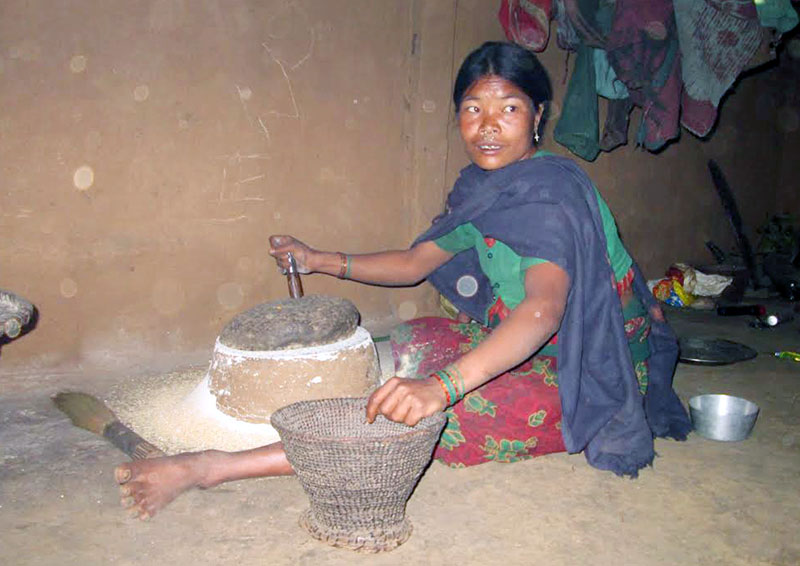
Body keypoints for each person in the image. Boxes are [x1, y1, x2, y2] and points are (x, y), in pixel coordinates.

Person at [115, 41, 690, 520]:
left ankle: (211, 467)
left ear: (538, 115)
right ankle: (397, 400)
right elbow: (415, 262)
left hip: (595, 360)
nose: (487, 127)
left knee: (430, 417)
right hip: (534, 338)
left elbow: (543, 310)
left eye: (508, 108)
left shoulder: (551, 193)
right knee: (416, 345)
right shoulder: (485, 190)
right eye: (471, 109)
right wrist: (319, 258)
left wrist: (442, 388)